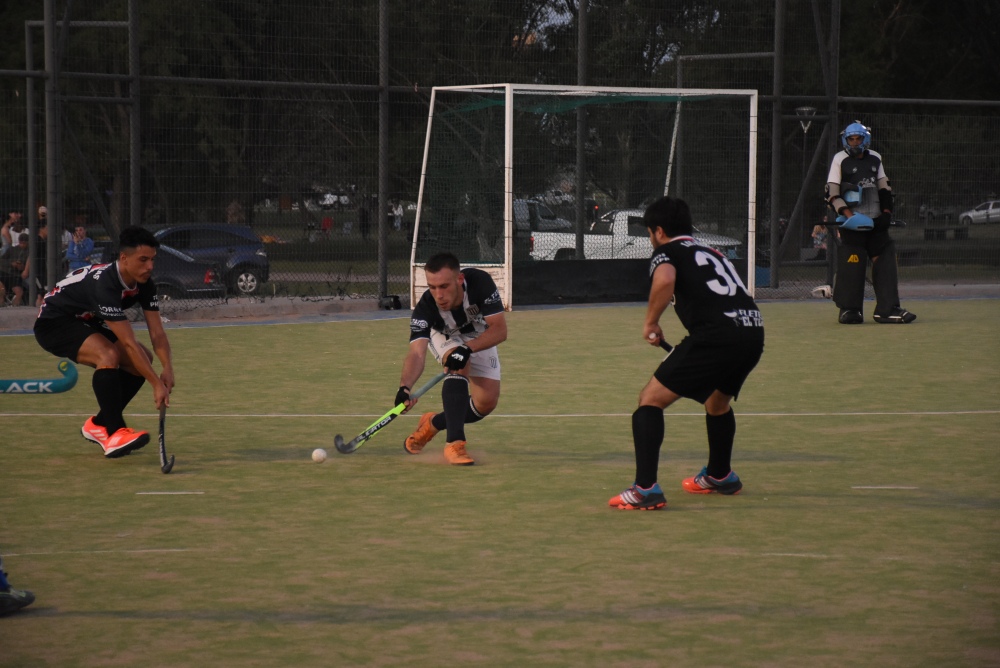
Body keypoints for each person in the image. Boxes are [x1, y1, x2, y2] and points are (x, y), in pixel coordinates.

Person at [608, 196, 765, 510]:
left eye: (650, 233)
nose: (651, 240)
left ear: (660, 231)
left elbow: (666, 279)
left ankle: (645, 489)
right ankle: (720, 475)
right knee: (717, 402)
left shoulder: (666, 252)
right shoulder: (711, 251)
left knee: (650, 400)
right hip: (753, 331)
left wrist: (651, 322)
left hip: (716, 337)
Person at [33, 226, 174, 458]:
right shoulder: (106, 285)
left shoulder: (145, 284)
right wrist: (156, 384)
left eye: (152, 259)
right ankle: (115, 432)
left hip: (87, 320)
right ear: (124, 258)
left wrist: (167, 368)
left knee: (143, 359)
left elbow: (157, 333)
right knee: (108, 354)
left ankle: (99, 424)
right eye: (143, 260)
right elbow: (127, 341)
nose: (150, 266)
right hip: (55, 322)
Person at [398, 252, 507, 466]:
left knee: (485, 404)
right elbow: (417, 353)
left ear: (459, 280)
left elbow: (500, 331)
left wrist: (468, 347)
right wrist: (405, 387)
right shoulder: (425, 308)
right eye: (432, 287)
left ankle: (433, 423)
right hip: (445, 335)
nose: (438, 294)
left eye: (444, 286)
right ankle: (455, 444)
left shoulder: (480, 283)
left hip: (477, 335)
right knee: (459, 363)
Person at [825, 121, 916, 324]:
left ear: (865, 139)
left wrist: (886, 214)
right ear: (845, 140)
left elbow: (885, 189)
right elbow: (832, 194)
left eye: (858, 138)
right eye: (851, 139)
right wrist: (850, 216)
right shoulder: (840, 159)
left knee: (884, 261)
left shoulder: (876, 158)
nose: (855, 142)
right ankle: (850, 310)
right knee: (852, 264)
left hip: (876, 224)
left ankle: (887, 309)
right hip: (853, 225)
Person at [0, 233, 29, 306]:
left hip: (16, 276)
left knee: (19, 292)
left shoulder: (29, 252)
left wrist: (22, 267)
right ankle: (1, 302)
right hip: (5, 273)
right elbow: (2, 260)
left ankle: (15, 307)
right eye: (21, 243)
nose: (22, 245)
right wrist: (11, 263)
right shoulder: (12, 249)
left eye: (24, 243)